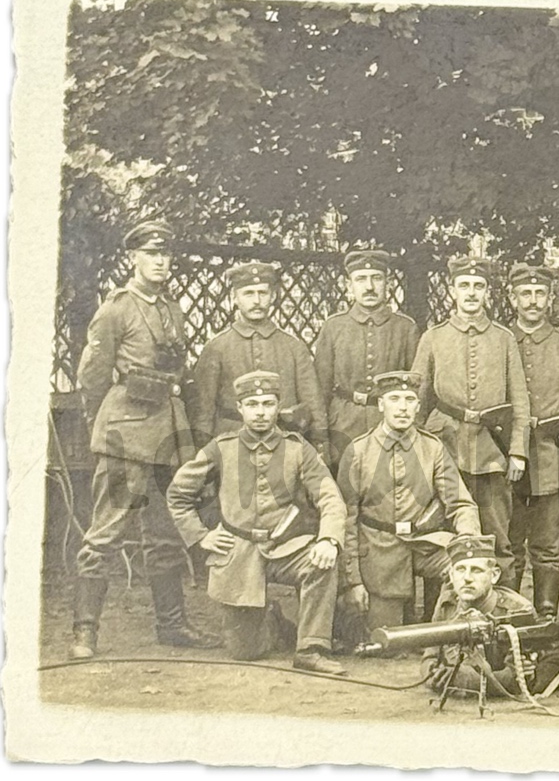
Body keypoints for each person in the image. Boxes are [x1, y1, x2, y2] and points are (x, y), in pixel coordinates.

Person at [69, 221, 221, 660]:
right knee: (107, 532)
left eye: (166, 254)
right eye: (151, 253)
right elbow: (92, 375)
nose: (160, 261)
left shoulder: (171, 308)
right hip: (124, 440)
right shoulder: (116, 308)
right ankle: (85, 631)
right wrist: (106, 424)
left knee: (166, 534)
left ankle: (171, 626)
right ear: (133, 257)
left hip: (166, 441)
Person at [167, 370, 347, 675]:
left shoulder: (297, 447)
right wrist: (200, 537)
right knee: (245, 651)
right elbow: (177, 494)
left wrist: (329, 539)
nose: (261, 412)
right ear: (240, 408)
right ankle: (274, 621)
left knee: (323, 564)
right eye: (253, 404)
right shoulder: (220, 448)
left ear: (278, 406)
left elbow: (330, 498)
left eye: (268, 403)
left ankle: (311, 647)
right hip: (238, 551)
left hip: (286, 546)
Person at [411, 256, 531, 589]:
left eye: (479, 286)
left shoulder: (504, 338)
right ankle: (440, 617)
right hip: (443, 448)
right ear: (452, 291)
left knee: (497, 539)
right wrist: (416, 453)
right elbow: (418, 400)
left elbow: (519, 400)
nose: (471, 293)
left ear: (488, 293)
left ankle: (503, 612)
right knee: (442, 538)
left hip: (491, 452)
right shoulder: (433, 338)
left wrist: (518, 451)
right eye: (464, 286)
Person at [336, 371, 482, 633]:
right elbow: (346, 521)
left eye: (409, 399)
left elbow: (461, 504)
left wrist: (469, 541)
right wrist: (353, 581)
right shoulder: (358, 450)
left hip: (422, 546)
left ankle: (444, 628)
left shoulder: (433, 448)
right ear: (381, 404)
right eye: (394, 399)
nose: (402, 407)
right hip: (378, 552)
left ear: (417, 406)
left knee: (463, 571)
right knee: (387, 642)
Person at [506, 262, 559, 618]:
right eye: (525, 293)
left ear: (551, 298)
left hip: (550, 452)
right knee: (507, 537)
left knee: (547, 539)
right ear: (512, 299)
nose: (533, 301)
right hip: (505, 450)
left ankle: (545, 610)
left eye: (540, 294)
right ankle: (508, 607)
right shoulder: (500, 339)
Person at [189, 261, 327, 452]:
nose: (256, 301)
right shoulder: (216, 348)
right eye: (248, 293)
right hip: (232, 443)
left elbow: (313, 403)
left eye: (262, 293)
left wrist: (319, 443)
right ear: (235, 298)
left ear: (272, 296)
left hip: (283, 444)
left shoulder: (294, 347)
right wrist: (203, 452)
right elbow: (204, 410)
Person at [420, 534, 559, 698]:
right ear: (451, 574)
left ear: (494, 575)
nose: (467, 578)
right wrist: (436, 677)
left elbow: (516, 678)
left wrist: (467, 681)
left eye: (476, 570)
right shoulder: (448, 603)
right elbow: (429, 657)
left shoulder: (517, 610)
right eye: (460, 569)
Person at [313, 249, 418, 464]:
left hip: (390, 423)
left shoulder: (405, 328)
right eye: (361, 279)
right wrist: (321, 434)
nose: (369, 287)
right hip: (342, 423)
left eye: (376, 279)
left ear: (388, 283)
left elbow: (416, 388)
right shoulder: (333, 327)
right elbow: (321, 388)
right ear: (349, 285)